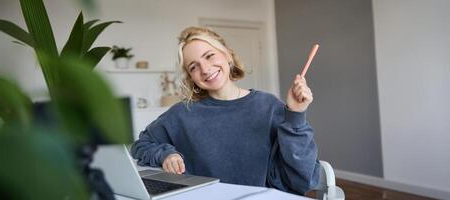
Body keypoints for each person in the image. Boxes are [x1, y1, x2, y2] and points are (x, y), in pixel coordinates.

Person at [131, 26, 320, 195]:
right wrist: (165, 155)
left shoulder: (268, 106)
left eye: (209, 55)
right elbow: (141, 145)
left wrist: (295, 114)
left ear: (227, 55)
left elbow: (302, 177)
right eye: (193, 67)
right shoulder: (182, 113)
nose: (205, 69)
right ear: (191, 77)